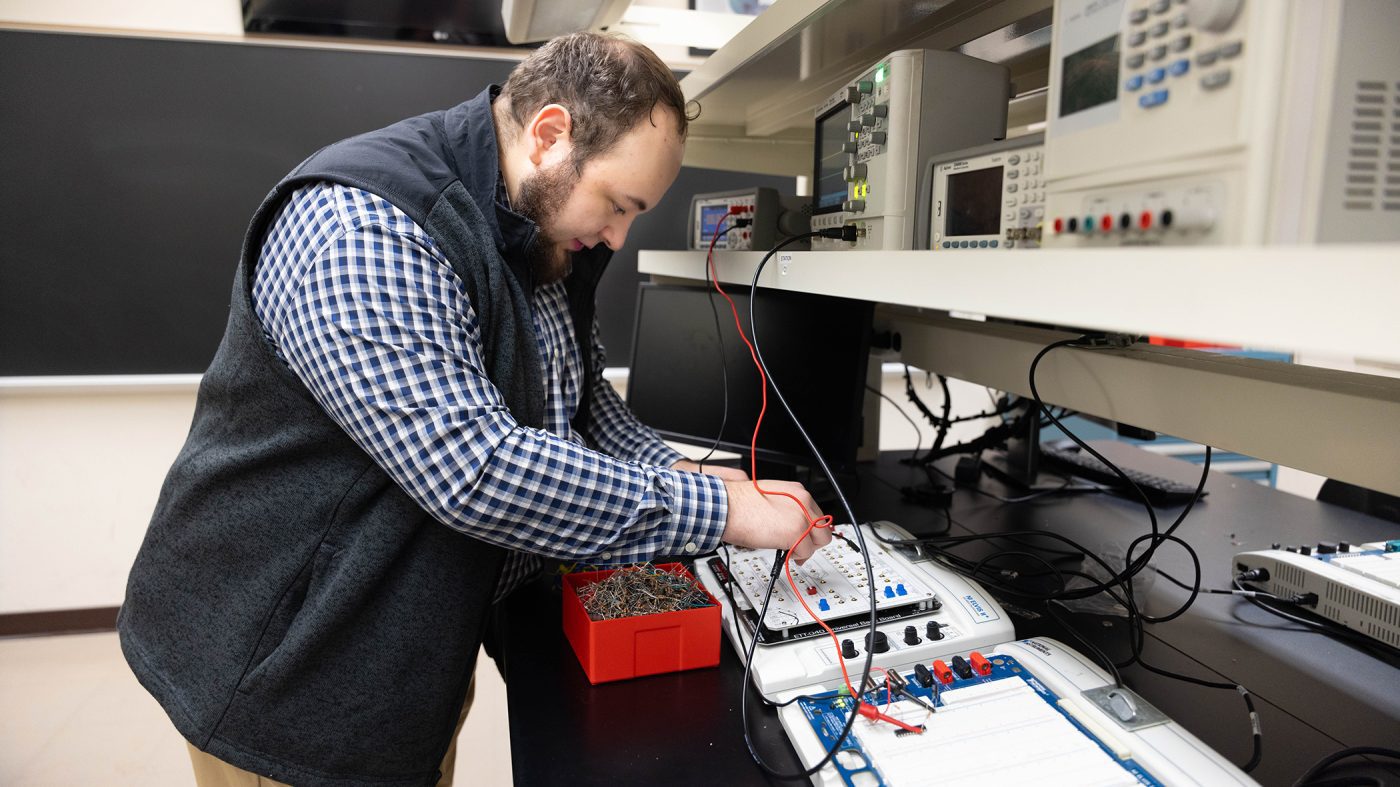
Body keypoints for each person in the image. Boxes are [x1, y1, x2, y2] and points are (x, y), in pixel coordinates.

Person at [118, 31, 830, 787]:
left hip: (404, 649)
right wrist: (720, 514)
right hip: (288, 667)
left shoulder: (543, 229)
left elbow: (583, 403)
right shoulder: (365, 226)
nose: (619, 236)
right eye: (618, 205)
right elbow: (475, 468)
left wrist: (701, 474)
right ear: (550, 134)